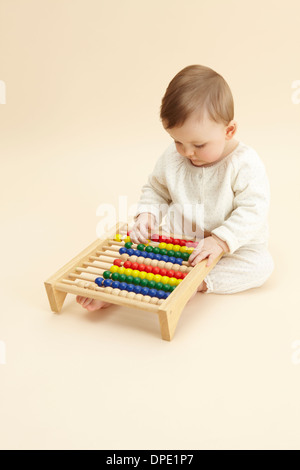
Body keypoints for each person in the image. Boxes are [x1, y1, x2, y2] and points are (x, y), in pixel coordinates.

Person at [76, 64, 274, 311]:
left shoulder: (245, 163)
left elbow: (253, 210)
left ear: (229, 131)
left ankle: (196, 283)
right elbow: (157, 189)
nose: (187, 152)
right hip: (182, 241)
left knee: (261, 265)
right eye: (177, 141)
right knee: (141, 246)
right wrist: (147, 215)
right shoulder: (174, 155)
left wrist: (221, 241)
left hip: (233, 247)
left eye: (199, 145)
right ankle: (114, 287)